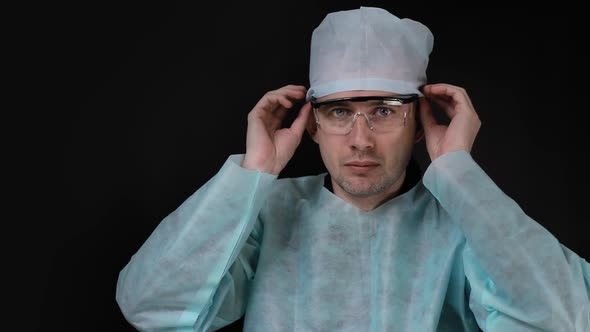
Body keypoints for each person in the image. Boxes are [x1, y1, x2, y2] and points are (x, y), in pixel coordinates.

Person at [115, 6, 590, 332]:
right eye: (340, 112)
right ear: (313, 124)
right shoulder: (266, 214)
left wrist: (459, 172)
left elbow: (565, 319)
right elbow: (152, 310)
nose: (360, 139)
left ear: (421, 124)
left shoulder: (465, 225)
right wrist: (253, 173)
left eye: (385, 111)